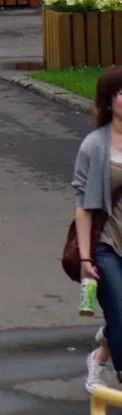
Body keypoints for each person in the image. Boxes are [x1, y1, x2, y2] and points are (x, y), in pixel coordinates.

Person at [72, 68, 122, 395]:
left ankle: (101, 351)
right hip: (105, 245)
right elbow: (83, 205)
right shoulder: (94, 145)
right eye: (121, 92)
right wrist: (86, 258)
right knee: (120, 308)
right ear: (108, 101)